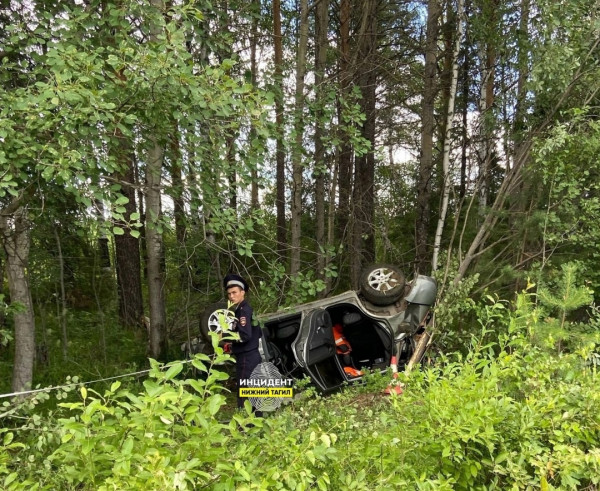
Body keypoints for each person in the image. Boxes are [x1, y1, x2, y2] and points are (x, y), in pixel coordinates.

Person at [223, 273, 262, 412]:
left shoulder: (244, 311)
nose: (232, 296)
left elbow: (245, 335)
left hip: (247, 358)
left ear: (242, 293)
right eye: (229, 294)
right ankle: (255, 424)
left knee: (245, 392)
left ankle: (247, 426)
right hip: (250, 355)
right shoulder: (241, 310)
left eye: (234, 292)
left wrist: (227, 338)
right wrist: (232, 346)